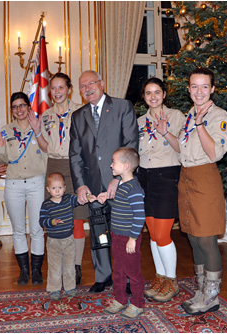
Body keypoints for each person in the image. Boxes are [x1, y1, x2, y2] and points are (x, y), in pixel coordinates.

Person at [69, 70, 139, 293]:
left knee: (121, 233)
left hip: (121, 185)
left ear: (102, 83)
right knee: (99, 231)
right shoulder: (78, 116)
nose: (87, 88)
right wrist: (80, 184)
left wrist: (118, 179)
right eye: (82, 86)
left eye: (91, 83)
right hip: (93, 186)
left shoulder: (122, 107)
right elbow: (75, 155)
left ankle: (127, 278)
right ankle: (104, 276)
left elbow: (131, 145)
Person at [173, 68, 227, 315]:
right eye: (194, 86)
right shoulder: (190, 114)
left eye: (204, 86)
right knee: (193, 236)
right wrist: (167, 133)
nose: (199, 91)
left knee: (207, 239)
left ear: (213, 89)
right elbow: (183, 150)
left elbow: (214, 153)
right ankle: (201, 288)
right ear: (188, 89)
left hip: (205, 177)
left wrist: (199, 123)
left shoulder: (218, 115)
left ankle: (212, 295)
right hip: (187, 177)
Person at [31, 73, 87, 286]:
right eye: (53, 88)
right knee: (56, 217)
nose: (57, 92)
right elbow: (47, 147)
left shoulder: (81, 112)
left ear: (69, 89)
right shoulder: (45, 115)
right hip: (54, 165)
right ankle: (60, 265)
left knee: (77, 219)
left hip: (75, 166)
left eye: (61, 87)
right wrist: (37, 132)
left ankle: (76, 265)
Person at [136, 78, 185, 302]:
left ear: (164, 94)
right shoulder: (138, 122)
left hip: (167, 176)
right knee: (153, 235)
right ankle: (161, 277)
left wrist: (165, 132)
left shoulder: (176, 116)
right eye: (148, 93)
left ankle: (172, 281)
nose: (153, 96)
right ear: (144, 97)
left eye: (157, 92)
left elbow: (182, 149)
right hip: (145, 177)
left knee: (163, 234)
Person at [0, 92, 47, 286]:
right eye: (15, 107)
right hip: (14, 183)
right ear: (12, 110)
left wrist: (38, 130)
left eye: (22, 105)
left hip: (36, 182)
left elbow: (48, 151)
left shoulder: (38, 125)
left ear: (28, 106)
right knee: (18, 230)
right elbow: (1, 161)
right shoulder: (6, 130)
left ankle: (37, 270)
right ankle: (24, 271)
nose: (19, 110)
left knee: (37, 230)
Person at [99, 147, 146, 319]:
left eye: (114, 162)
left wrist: (133, 238)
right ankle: (120, 299)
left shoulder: (134, 188)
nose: (111, 165)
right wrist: (106, 196)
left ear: (126, 166)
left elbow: (139, 216)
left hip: (128, 237)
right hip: (117, 236)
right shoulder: (122, 184)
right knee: (118, 270)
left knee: (132, 272)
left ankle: (137, 303)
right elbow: (121, 202)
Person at [39, 172, 96, 300]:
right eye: (54, 188)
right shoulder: (46, 205)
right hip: (53, 241)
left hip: (69, 239)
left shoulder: (69, 199)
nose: (57, 191)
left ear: (64, 188)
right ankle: (54, 289)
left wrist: (88, 197)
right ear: (48, 189)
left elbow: (79, 200)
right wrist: (52, 222)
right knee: (54, 266)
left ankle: (70, 287)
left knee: (69, 265)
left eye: (60, 187)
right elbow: (42, 221)